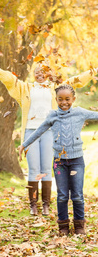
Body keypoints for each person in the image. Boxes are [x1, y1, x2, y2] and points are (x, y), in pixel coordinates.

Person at [0, 60, 97, 216]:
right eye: (37, 71)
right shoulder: (24, 88)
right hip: (30, 132)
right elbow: (7, 77)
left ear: (49, 73)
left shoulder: (55, 88)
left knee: (46, 169)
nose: (40, 73)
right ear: (33, 73)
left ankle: (45, 204)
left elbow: (76, 81)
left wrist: (94, 71)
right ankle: (33, 204)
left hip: (50, 132)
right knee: (33, 169)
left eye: (43, 71)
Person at [18, 84, 98, 235]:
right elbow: (38, 131)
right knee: (62, 195)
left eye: (67, 99)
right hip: (59, 162)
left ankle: (79, 226)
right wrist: (24, 145)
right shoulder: (52, 116)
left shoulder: (79, 112)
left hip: (76, 161)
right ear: (56, 100)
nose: (64, 102)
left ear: (73, 99)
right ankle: (63, 227)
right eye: (60, 99)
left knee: (77, 195)